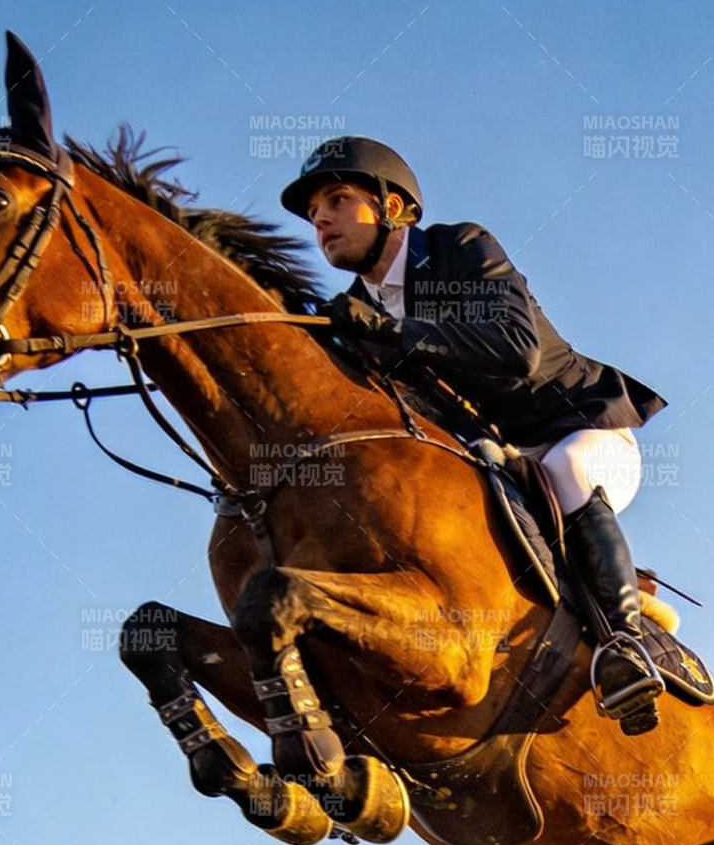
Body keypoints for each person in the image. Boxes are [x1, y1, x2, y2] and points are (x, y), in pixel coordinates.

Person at [281, 136, 669, 735]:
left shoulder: (461, 247)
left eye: (337, 199)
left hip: (583, 428)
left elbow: (516, 351)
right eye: (313, 214)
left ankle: (624, 646)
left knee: (566, 473)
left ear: (393, 209)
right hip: (498, 458)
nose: (322, 220)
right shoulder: (354, 312)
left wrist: (391, 329)